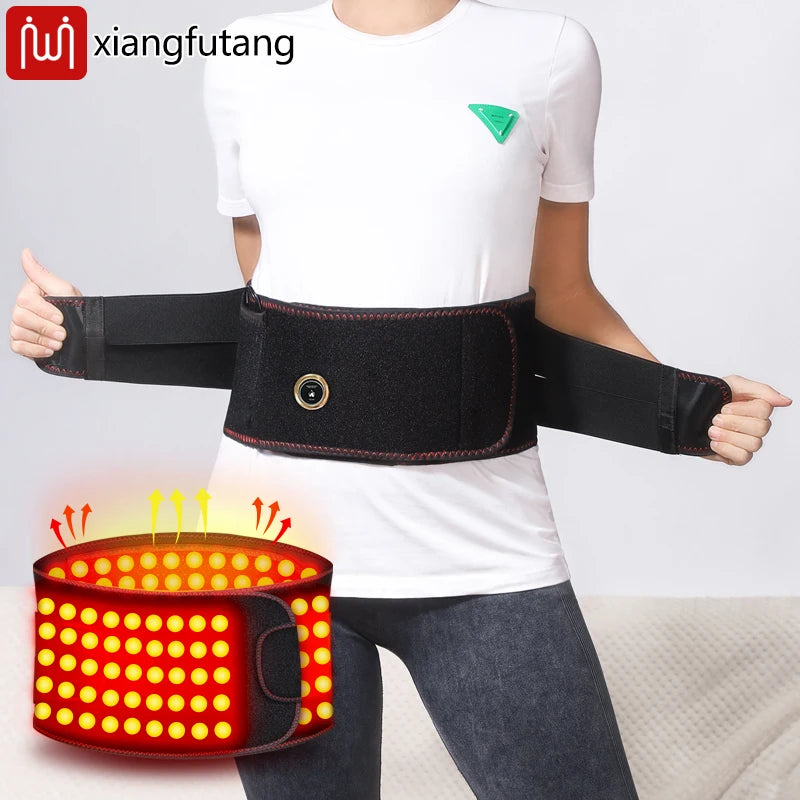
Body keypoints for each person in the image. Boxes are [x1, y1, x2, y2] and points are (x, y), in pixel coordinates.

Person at [9, 1, 791, 798]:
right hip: (272, 554)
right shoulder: (244, 58)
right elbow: (273, 304)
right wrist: (80, 333)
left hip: (480, 546)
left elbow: (563, 291)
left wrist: (682, 407)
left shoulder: (550, 53)